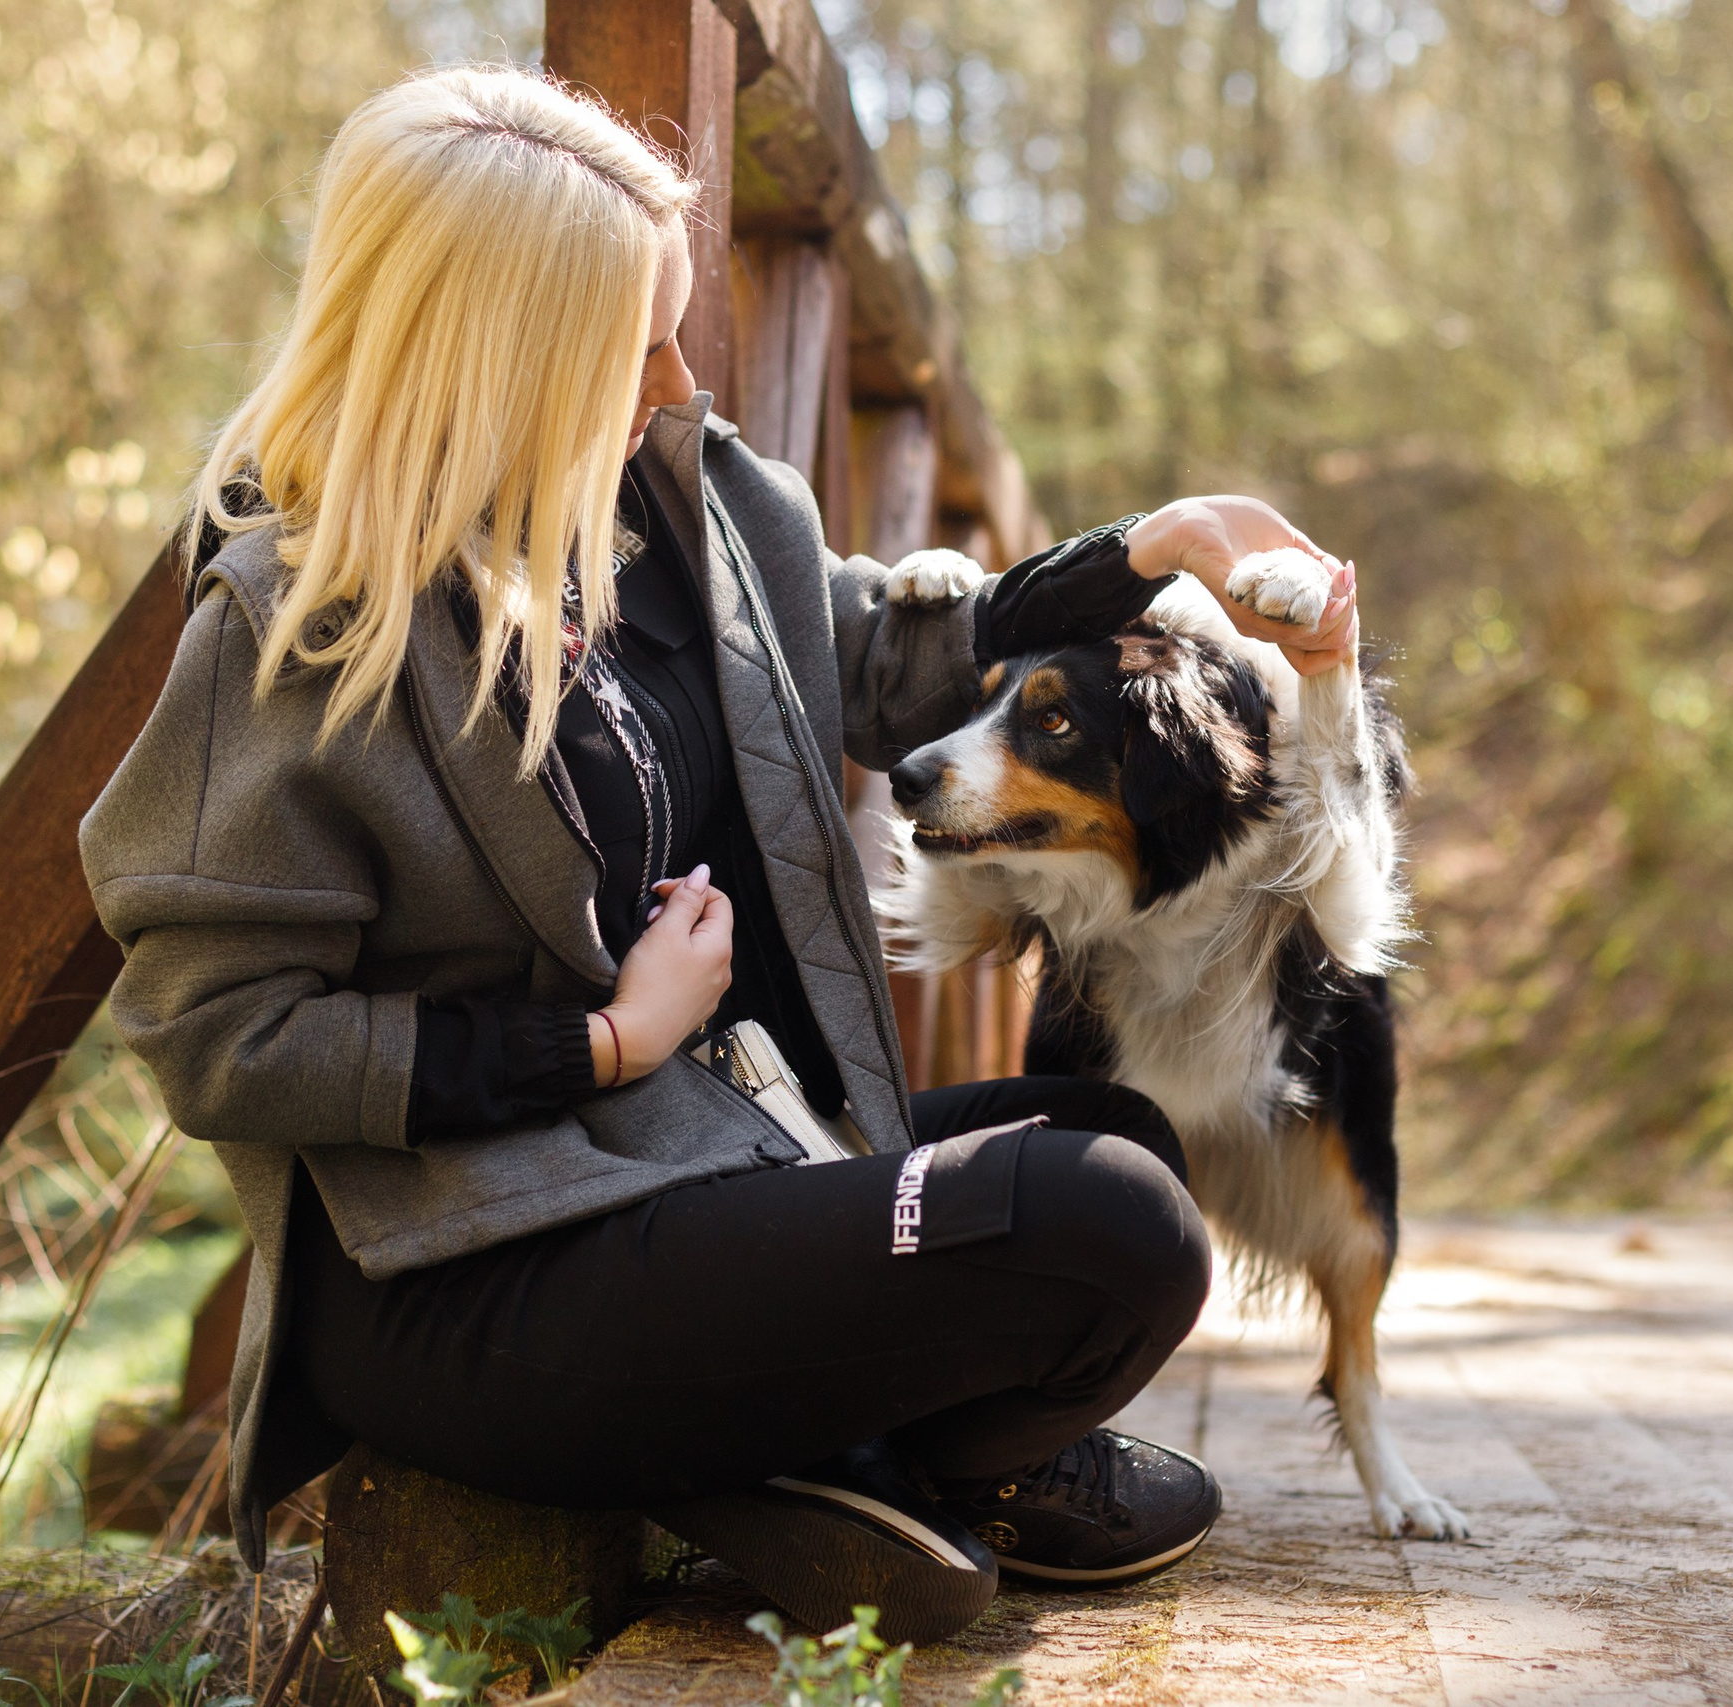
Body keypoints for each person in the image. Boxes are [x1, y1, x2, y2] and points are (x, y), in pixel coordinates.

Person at [79, 65, 1360, 1644]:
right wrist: (605, 1039)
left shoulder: (688, 507)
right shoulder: (297, 628)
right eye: (636, 343)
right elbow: (218, 1045)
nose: (681, 376)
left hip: (731, 1154)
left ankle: (839, 1465)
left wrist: (1152, 550)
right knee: (1114, 1226)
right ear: (506, 356)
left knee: (1115, 1136)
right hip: (477, 1269)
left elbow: (894, 672)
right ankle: (892, 1461)